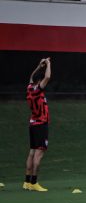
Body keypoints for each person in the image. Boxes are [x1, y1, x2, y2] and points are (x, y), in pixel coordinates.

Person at [23, 57, 51, 192]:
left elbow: (31, 77)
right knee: (38, 154)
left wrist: (39, 66)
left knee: (32, 152)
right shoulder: (38, 89)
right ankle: (34, 182)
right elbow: (48, 77)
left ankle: (26, 182)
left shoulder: (29, 88)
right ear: (39, 82)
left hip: (33, 124)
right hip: (41, 124)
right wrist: (48, 64)